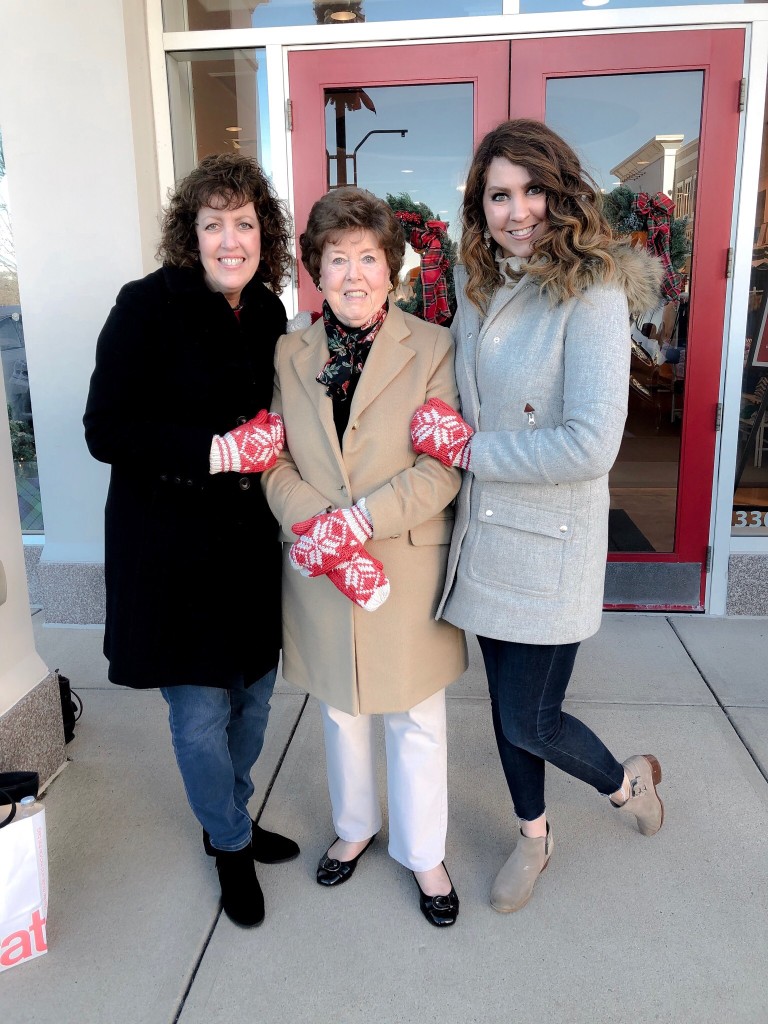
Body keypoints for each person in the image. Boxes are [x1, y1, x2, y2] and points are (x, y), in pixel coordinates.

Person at [409, 119, 666, 914]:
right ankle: (534, 835)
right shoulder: (481, 288)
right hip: (486, 541)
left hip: (549, 545)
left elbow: (591, 443)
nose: (517, 210)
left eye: (532, 190)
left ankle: (629, 783)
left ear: (560, 194)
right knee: (506, 712)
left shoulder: (591, 292)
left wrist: (470, 451)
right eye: (499, 195)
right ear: (480, 207)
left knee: (532, 719)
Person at [84, 152, 298, 929]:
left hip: (249, 549)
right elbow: (105, 430)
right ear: (192, 233)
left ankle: (229, 817)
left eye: (245, 223)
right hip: (173, 550)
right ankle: (230, 844)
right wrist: (214, 450)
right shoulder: (145, 306)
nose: (231, 239)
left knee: (255, 699)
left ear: (262, 234)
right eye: (215, 224)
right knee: (201, 717)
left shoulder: (271, 311)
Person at [262, 187, 468, 927]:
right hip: (319, 562)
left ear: (393, 267)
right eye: (336, 258)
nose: (353, 274)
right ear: (316, 269)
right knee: (340, 707)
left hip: (403, 562)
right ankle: (355, 828)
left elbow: (442, 465)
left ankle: (425, 853)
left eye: (368, 258)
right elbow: (272, 457)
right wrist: (317, 523)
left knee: (413, 713)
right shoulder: (290, 350)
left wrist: (358, 518)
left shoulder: (435, 347)